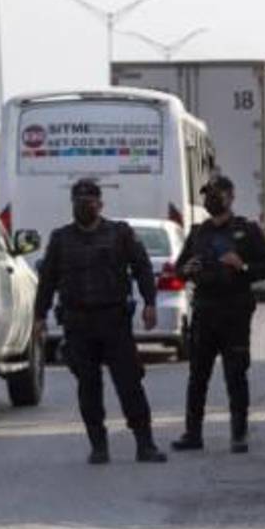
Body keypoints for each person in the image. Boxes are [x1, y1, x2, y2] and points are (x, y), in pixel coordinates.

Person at [34, 178, 167, 465]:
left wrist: (150, 303)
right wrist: (39, 316)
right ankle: (98, 446)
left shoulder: (120, 233)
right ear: (72, 204)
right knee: (88, 387)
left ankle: (145, 444)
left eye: (90, 202)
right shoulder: (61, 239)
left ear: (100, 204)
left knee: (130, 384)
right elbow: (47, 280)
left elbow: (142, 268)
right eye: (79, 202)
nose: (85, 206)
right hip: (78, 323)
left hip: (113, 320)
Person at [171, 175, 265, 454]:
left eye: (216, 194)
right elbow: (179, 269)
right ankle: (192, 433)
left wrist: (243, 267)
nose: (210, 199)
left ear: (230, 196)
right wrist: (186, 270)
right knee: (198, 376)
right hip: (204, 311)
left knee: (236, 375)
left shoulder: (247, 230)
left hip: (234, 312)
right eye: (207, 194)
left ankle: (238, 434)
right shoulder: (198, 233)